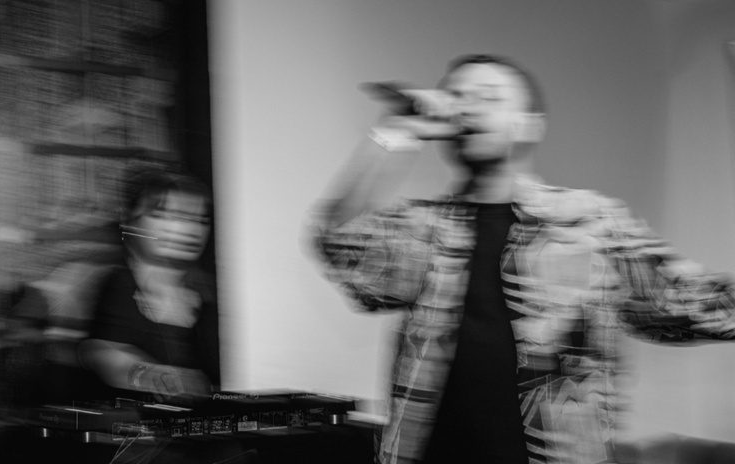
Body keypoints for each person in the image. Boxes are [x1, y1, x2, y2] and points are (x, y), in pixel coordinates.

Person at [310, 54, 735, 464]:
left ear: (530, 123)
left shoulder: (592, 222)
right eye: (457, 96)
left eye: (489, 97)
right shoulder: (422, 228)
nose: (469, 106)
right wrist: (398, 129)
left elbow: (689, 303)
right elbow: (338, 244)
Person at [79, 168, 220, 405]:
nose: (186, 229)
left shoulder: (209, 295)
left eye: (199, 219)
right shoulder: (117, 284)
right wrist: (157, 378)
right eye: (164, 215)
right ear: (129, 219)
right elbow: (102, 355)